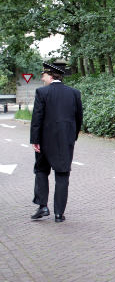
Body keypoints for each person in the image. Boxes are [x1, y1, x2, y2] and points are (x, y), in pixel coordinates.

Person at [30, 62, 83, 223]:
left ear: (51, 75)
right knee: (62, 175)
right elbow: (78, 117)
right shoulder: (74, 93)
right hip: (65, 141)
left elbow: (37, 119)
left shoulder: (42, 92)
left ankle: (43, 206)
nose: (42, 78)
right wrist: (72, 137)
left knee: (41, 171)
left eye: (44, 75)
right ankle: (59, 214)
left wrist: (35, 140)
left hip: (44, 142)